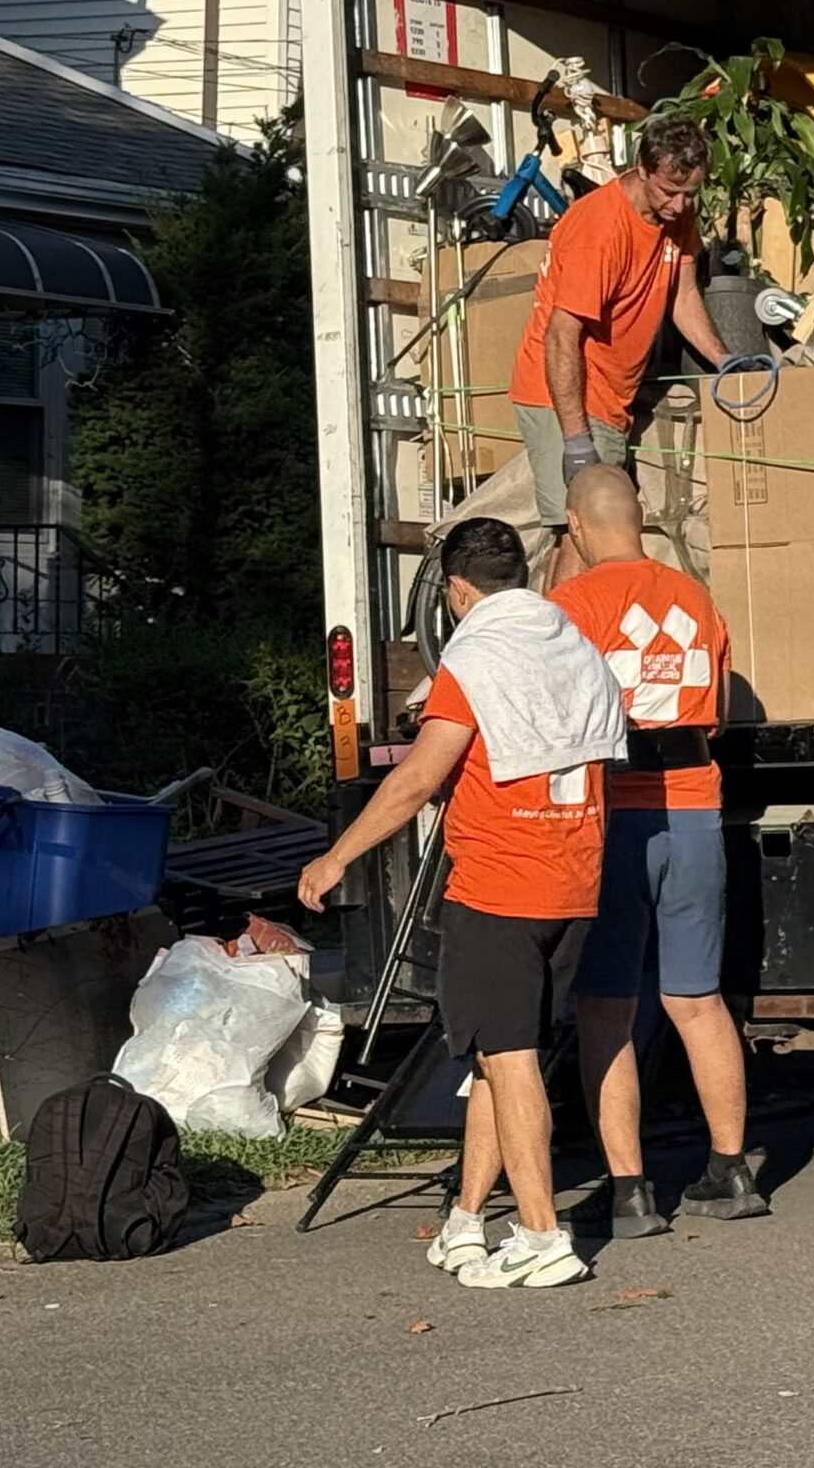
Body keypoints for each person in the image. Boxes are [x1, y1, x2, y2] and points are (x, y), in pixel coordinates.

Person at [298, 518, 627, 1289]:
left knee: (510, 1062)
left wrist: (337, 856)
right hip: (574, 879)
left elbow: (419, 777)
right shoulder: (574, 645)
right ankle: (466, 1221)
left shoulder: (474, 659)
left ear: (454, 589)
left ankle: (542, 1235)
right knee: (495, 1057)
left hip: (500, 886)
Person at [549, 466, 767, 1236]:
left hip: (615, 818)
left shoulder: (572, 604)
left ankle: (630, 1190)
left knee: (606, 1007)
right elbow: (717, 715)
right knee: (697, 1001)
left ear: (576, 528)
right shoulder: (695, 598)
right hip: (696, 812)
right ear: (639, 519)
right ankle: (731, 1170)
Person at [508, 114, 728, 587]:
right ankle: (565, 633)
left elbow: (683, 296)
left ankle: (562, 626)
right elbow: (560, 336)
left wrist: (725, 360)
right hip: (566, 393)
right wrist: (576, 440)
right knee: (588, 533)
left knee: (584, 537)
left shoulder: (677, 216)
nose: (679, 205)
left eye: (690, 193)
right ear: (642, 170)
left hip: (611, 399)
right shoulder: (600, 230)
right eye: (669, 191)